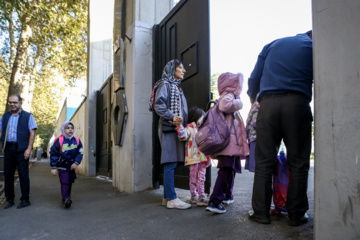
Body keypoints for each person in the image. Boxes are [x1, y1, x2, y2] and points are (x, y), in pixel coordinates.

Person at [247, 30, 313, 226]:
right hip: (297, 104)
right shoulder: (312, 47)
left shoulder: (273, 44)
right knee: (298, 162)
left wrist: (256, 101)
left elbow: (253, 80)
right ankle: (296, 214)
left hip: (268, 105)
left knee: (264, 162)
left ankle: (260, 213)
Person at [206, 72, 249, 214]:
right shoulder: (228, 95)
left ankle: (227, 195)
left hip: (231, 144)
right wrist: (239, 103)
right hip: (228, 143)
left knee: (231, 169)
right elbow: (225, 106)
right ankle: (215, 200)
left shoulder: (230, 95)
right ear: (233, 84)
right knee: (225, 170)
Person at [154, 59, 191, 209]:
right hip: (169, 127)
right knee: (170, 162)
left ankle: (166, 197)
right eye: (180, 68)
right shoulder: (165, 84)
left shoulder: (176, 87)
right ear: (171, 70)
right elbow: (159, 105)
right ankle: (171, 198)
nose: (184, 70)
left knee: (172, 161)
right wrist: (172, 116)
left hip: (175, 128)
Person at [0, 94, 37, 209]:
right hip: (8, 149)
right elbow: (1, 131)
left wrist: (29, 149)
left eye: (15, 102)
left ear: (20, 103)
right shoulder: (5, 116)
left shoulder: (28, 116)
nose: (12, 104)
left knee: (23, 175)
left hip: (22, 149)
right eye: (10, 102)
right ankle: (9, 199)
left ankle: (25, 199)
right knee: (8, 175)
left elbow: (32, 133)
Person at [175, 107, 211, 206]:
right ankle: (194, 196)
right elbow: (182, 136)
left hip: (203, 158)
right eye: (201, 116)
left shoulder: (203, 129)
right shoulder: (189, 129)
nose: (203, 119)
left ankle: (201, 195)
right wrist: (179, 126)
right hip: (193, 158)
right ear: (196, 117)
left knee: (202, 177)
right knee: (193, 178)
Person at [50, 121, 83, 208]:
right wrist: (53, 167)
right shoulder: (59, 140)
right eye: (67, 128)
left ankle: (66, 197)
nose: (70, 130)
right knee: (65, 182)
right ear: (63, 129)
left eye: (72, 128)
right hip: (62, 166)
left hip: (71, 167)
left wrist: (76, 162)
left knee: (70, 182)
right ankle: (66, 198)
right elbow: (53, 153)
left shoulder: (76, 141)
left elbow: (80, 152)